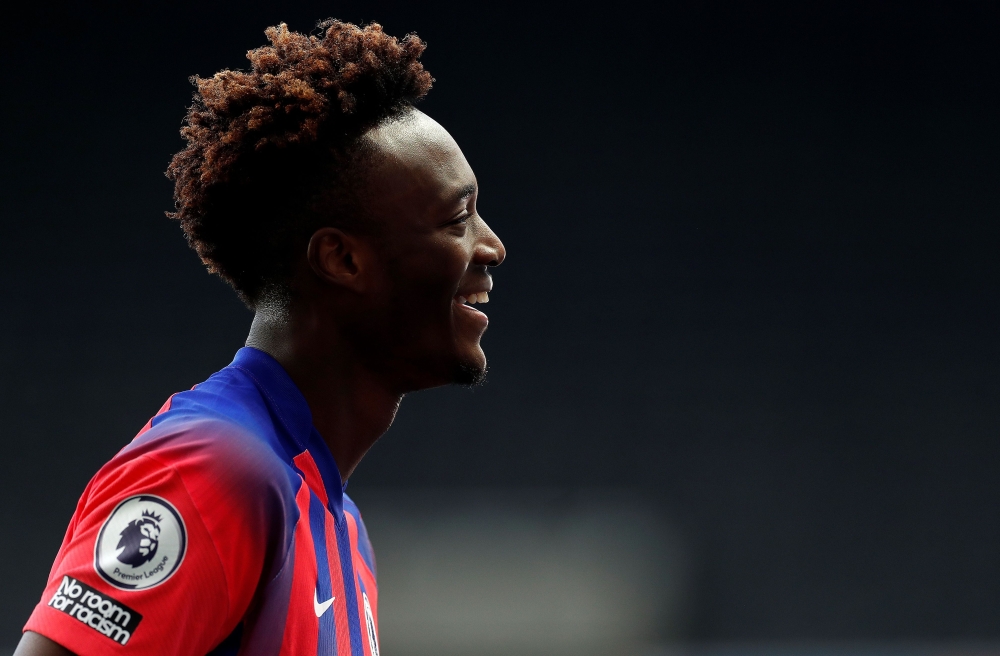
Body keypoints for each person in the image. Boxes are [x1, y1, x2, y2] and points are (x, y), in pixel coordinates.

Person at [15, 18, 504, 656]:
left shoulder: (338, 525)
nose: (491, 247)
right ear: (343, 260)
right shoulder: (215, 468)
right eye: (456, 218)